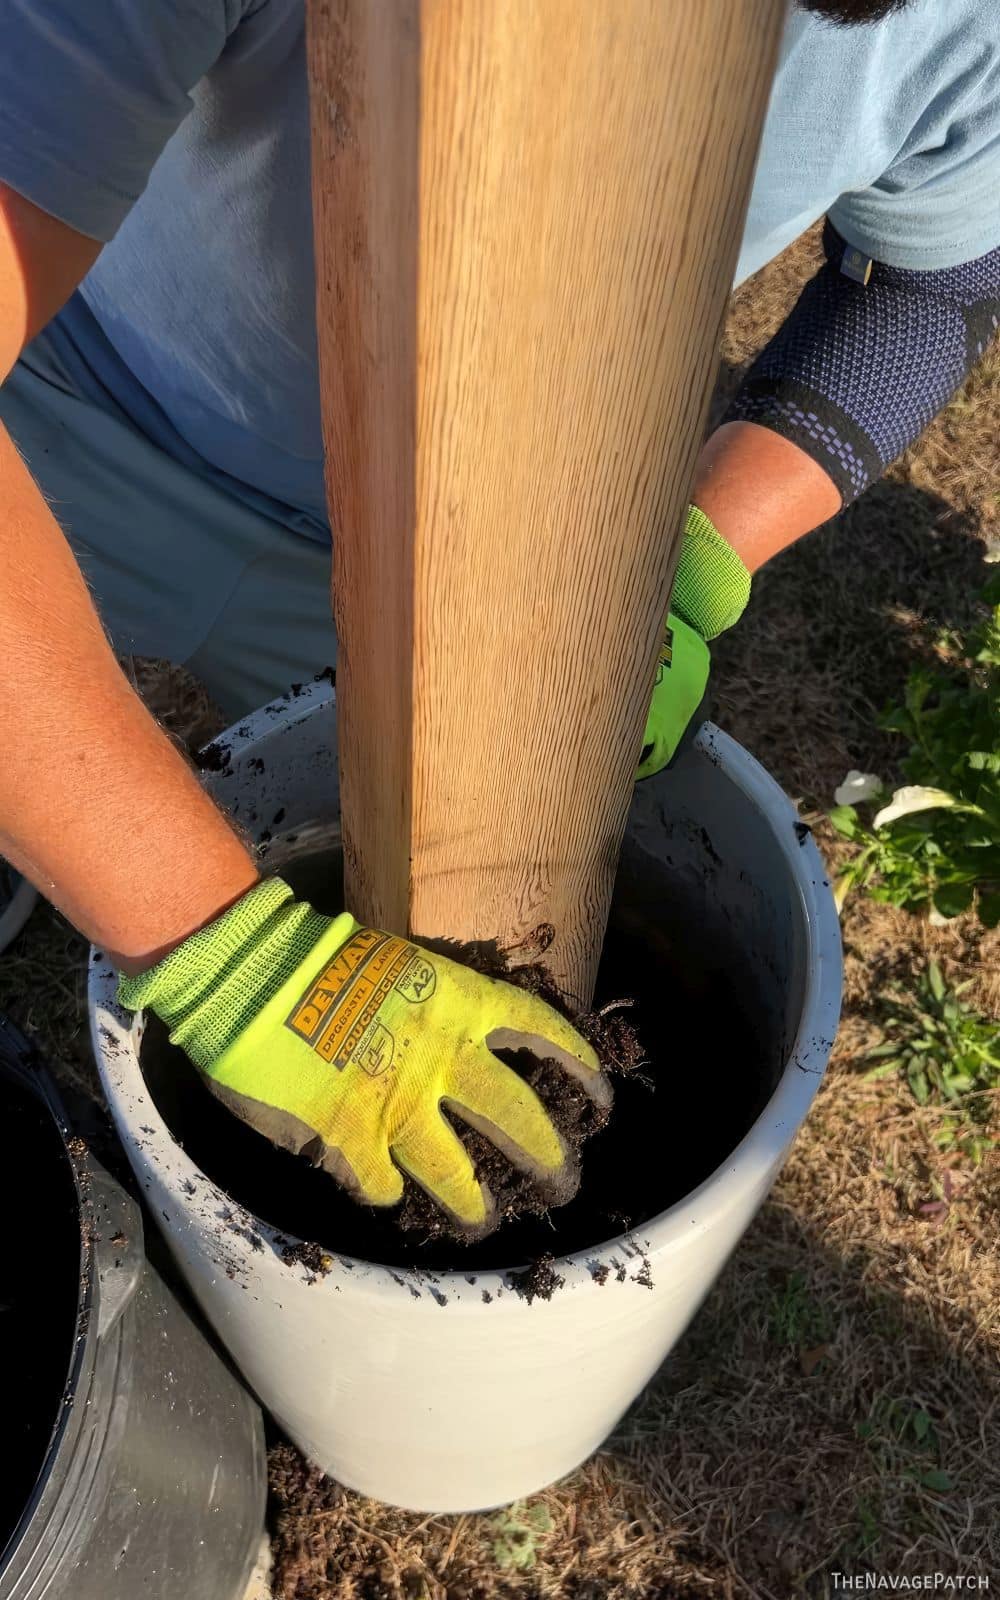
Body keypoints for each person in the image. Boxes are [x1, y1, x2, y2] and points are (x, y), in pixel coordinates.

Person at [1, 0, 998, 1233]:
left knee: (424, 952)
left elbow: (926, 281)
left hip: (451, 565)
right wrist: (223, 952)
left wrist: (694, 556)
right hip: (72, 416)